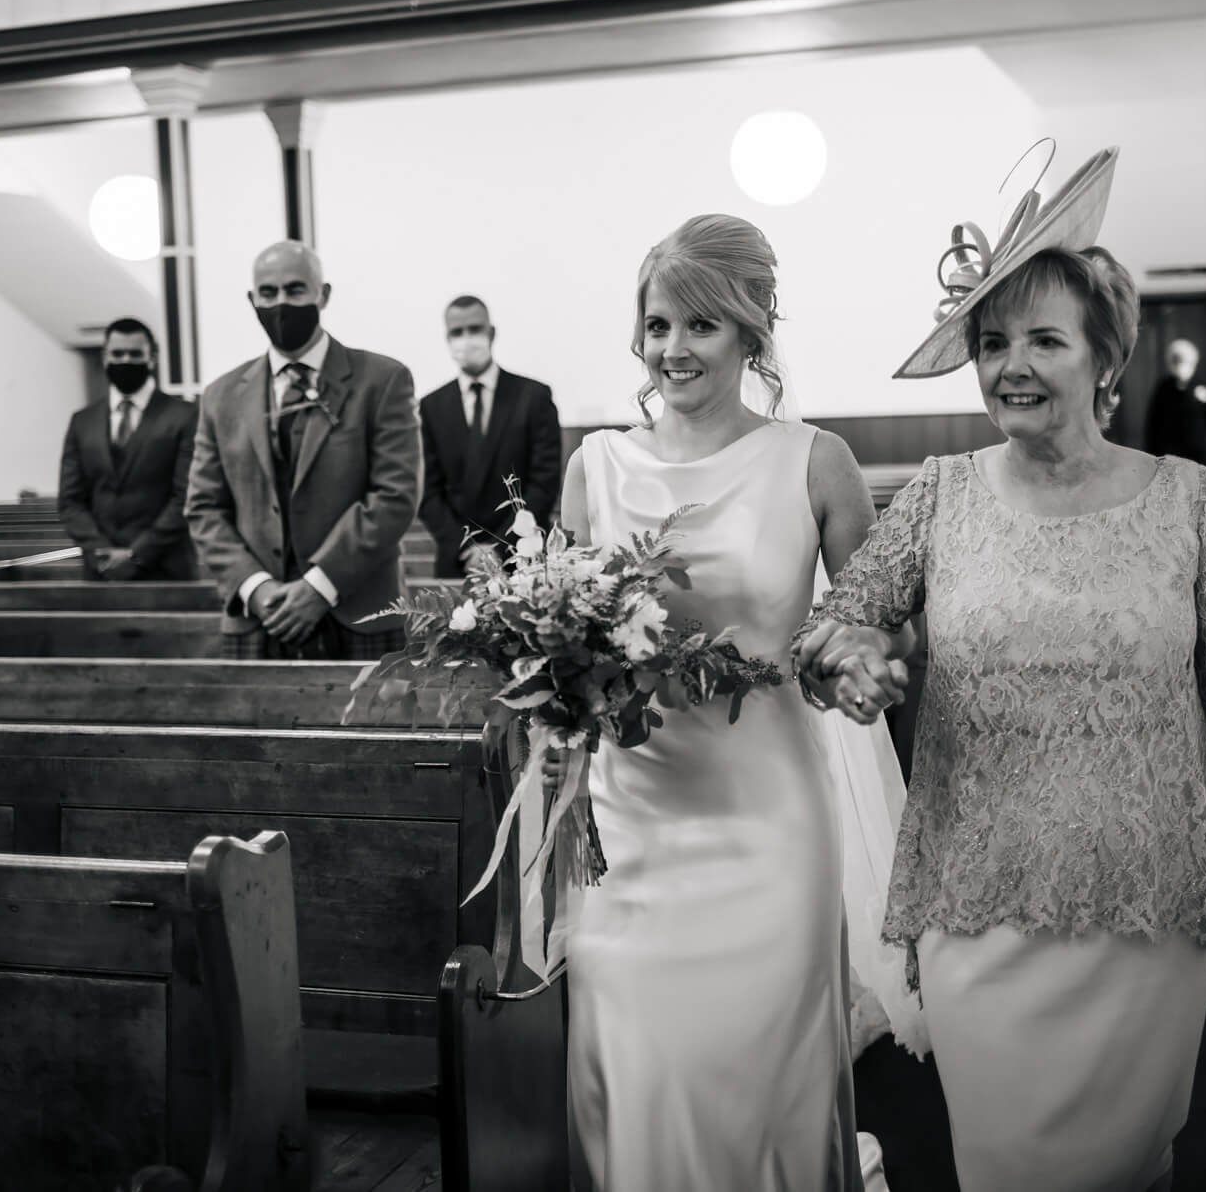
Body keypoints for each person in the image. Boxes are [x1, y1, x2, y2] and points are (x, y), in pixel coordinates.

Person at [797, 147, 1206, 1192]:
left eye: (1043, 338)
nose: (1010, 365)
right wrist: (851, 662)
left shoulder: (1185, 499)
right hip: (977, 907)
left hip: (1147, 909)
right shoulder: (940, 494)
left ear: (1101, 357)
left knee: (1130, 1163)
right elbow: (836, 623)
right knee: (1002, 1164)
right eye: (992, 343)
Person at [557, 214, 909, 1192]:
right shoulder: (596, 469)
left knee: (765, 1072)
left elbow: (860, 622)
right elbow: (567, 641)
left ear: (751, 332)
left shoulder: (815, 461)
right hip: (634, 820)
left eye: (701, 326)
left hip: (768, 823)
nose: (673, 348)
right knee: (643, 1067)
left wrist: (857, 663)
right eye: (658, 324)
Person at [185, 241, 422, 660]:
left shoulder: (382, 381)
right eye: (268, 292)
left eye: (295, 290)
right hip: (260, 616)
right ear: (251, 299)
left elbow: (394, 495)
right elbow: (204, 509)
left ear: (322, 294)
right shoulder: (220, 396)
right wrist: (255, 587)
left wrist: (320, 585)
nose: (280, 303)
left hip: (360, 613)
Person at [417, 294, 563, 577]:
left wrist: (500, 547)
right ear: (447, 338)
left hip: (522, 557)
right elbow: (426, 491)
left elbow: (543, 483)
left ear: (491, 333)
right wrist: (467, 547)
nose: (466, 338)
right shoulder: (430, 407)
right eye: (457, 332)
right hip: (458, 562)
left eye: (474, 329)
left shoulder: (533, 397)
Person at [58, 317, 199, 581]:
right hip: (100, 573)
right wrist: (101, 552)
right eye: (117, 353)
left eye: (135, 354)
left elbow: (187, 497)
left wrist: (137, 555)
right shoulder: (82, 421)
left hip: (166, 570)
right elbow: (70, 501)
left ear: (152, 358)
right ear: (105, 357)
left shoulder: (185, 416)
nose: (125, 361)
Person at [1143, 336, 1206, 507]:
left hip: (1196, 454)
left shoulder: (1201, 387)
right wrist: (1151, 454)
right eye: (1176, 360)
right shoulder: (1163, 388)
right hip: (1169, 453)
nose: (1180, 365)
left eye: (1184, 360)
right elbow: (1153, 423)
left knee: (1196, 496)